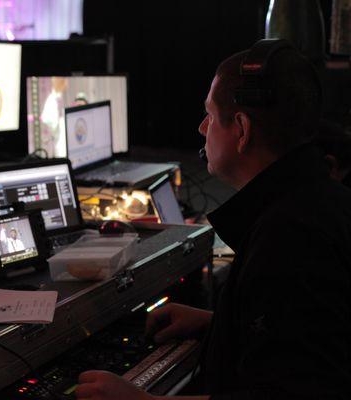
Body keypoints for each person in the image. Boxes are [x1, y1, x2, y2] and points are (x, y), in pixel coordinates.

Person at [76, 40, 351, 399]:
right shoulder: (318, 200)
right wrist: (220, 325)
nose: (203, 127)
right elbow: (310, 334)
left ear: (241, 129)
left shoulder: (289, 239)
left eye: (209, 114)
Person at [40, 77, 68, 157]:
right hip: (60, 148)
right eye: (65, 81)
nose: (67, 83)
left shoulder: (59, 98)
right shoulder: (52, 101)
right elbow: (48, 122)